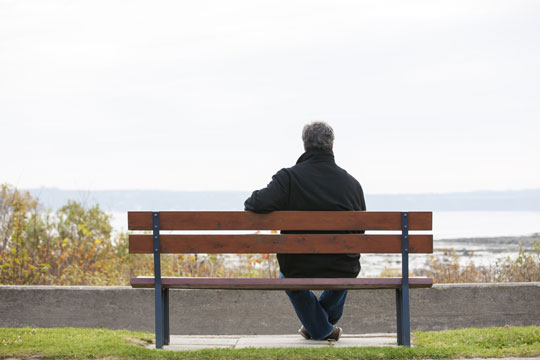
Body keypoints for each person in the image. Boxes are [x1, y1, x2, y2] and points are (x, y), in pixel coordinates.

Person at [244, 121, 366, 341]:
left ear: (305, 145)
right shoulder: (352, 184)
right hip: (342, 267)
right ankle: (322, 327)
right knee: (346, 272)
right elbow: (360, 233)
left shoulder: (288, 179)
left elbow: (254, 204)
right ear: (332, 145)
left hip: (297, 267)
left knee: (287, 276)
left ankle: (320, 329)